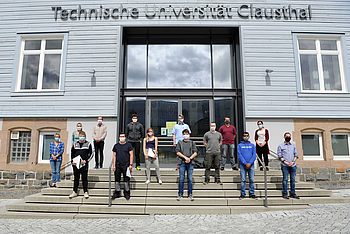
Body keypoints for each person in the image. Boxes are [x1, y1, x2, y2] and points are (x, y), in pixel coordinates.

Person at [175, 129, 198, 201]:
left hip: (190, 163)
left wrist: (190, 158)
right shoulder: (180, 142)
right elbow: (177, 152)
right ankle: (180, 194)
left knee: (190, 179)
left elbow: (195, 152)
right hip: (182, 163)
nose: (186, 135)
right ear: (182, 135)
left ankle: (190, 194)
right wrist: (185, 158)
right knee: (181, 179)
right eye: (185, 134)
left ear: (189, 135)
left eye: (187, 134)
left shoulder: (192, 143)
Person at [69, 131, 92, 199]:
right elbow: (72, 153)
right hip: (76, 164)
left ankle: (85, 192)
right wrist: (72, 161)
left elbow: (91, 154)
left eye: (83, 136)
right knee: (76, 178)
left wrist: (86, 161)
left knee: (84, 178)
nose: (81, 138)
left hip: (84, 164)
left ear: (85, 137)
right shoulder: (75, 144)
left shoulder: (88, 144)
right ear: (78, 137)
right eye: (80, 136)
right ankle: (74, 191)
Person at [277, 132, 300, 200]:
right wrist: (286, 162)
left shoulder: (293, 145)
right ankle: (285, 193)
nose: (288, 137)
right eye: (287, 136)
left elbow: (296, 155)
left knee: (293, 180)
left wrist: (293, 162)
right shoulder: (280, 146)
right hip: (285, 165)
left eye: (289, 136)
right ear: (284, 137)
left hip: (293, 165)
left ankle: (293, 193)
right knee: (285, 179)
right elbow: (279, 155)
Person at [112, 133, 134, 200]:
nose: (122, 137)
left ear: (125, 137)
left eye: (123, 136)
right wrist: (113, 165)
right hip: (118, 165)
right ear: (119, 137)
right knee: (117, 179)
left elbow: (131, 155)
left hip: (126, 165)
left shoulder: (128, 145)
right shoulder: (116, 146)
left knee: (126, 180)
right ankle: (117, 192)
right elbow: (114, 155)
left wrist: (131, 164)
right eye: (121, 136)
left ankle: (127, 192)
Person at [238, 132, 257, 199]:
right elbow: (239, 155)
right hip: (243, 165)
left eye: (247, 136)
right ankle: (243, 194)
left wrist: (250, 163)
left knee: (251, 180)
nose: (245, 137)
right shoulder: (239, 145)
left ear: (249, 137)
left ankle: (252, 193)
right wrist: (245, 163)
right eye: (244, 136)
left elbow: (254, 155)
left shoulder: (252, 145)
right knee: (243, 180)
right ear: (242, 137)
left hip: (251, 165)